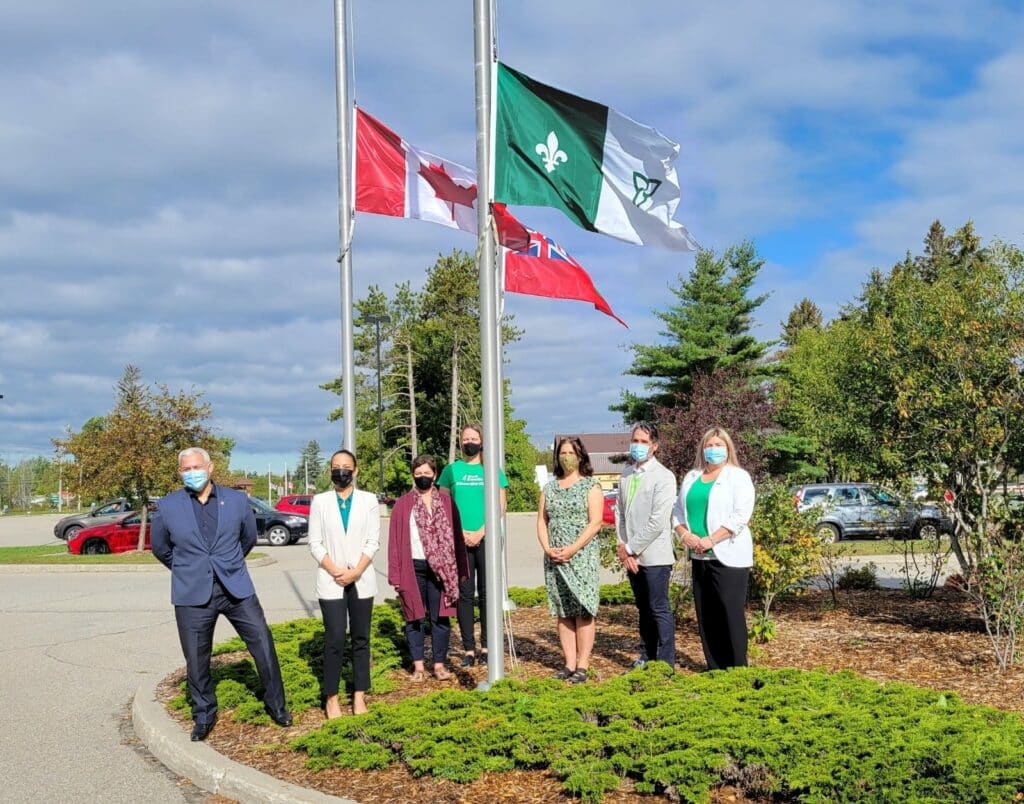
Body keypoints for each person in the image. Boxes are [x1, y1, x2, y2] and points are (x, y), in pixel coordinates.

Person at [151, 447, 292, 741]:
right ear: (180, 473)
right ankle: (204, 714)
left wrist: (228, 563)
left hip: (236, 588)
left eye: (196, 467)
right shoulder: (167, 506)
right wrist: (189, 569)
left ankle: (277, 706)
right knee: (197, 657)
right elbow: (161, 548)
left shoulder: (238, 500)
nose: (192, 473)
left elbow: (248, 539)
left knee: (263, 645)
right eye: (185, 469)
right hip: (192, 594)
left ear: (210, 467)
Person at [671, 427, 755, 670]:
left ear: (728, 449)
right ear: (702, 449)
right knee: (707, 616)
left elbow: (741, 515)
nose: (713, 449)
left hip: (727, 556)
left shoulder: (737, 477)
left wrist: (712, 539)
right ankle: (715, 667)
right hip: (699, 556)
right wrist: (684, 534)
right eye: (709, 445)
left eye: (719, 445)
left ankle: (738, 669)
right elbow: (677, 511)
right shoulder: (691, 477)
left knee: (730, 614)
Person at [308, 449, 380, 718]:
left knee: (361, 639)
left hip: (361, 579)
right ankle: (331, 697)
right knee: (335, 639)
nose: (341, 471)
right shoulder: (320, 501)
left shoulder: (369, 500)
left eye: (346, 466)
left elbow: (373, 540)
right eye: (336, 466)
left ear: (356, 470)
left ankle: (360, 695)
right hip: (331, 578)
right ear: (330, 471)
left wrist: (357, 570)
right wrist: (336, 570)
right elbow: (314, 543)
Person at [388, 454, 469, 681]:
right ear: (413, 474)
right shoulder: (403, 505)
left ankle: (439, 664)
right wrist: (395, 574)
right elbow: (394, 543)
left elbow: (457, 537)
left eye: (427, 473)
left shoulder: (446, 502)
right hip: (412, 567)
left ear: (434, 475)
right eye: (418, 473)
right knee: (414, 617)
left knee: (440, 618)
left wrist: (462, 569)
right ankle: (419, 666)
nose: (423, 477)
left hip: (442, 569)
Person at [437, 423, 508, 668]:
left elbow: (500, 505)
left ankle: (488, 645)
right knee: (465, 595)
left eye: (474, 438)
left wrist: (481, 531)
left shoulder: (491, 469)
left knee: (488, 593)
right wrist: (461, 533)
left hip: (485, 538)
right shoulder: (451, 470)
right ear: (460, 442)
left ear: (482, 441)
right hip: (460, 540)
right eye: (465, 438)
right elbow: (443, 506)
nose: (470, 442)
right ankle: (469, 648)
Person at [537, 436, 604, 683]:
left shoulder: (591, 486)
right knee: (563, 611)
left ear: (580, 456)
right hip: (555, 558)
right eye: (562, 453)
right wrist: (547, 547)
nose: (566, 457)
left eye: (571, 453)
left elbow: (595, 522)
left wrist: (573, 548)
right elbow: (542, 521)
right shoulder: (549, 488)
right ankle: (568, 663)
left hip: (581, 556)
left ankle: (583, 665)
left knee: (583, 610)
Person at [615, 423, 678, 669]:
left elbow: (658, 521)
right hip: (631, 555)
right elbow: (619, 512)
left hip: (655, 556)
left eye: (643, 441)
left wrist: (632, 548)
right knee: (643, 608)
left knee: (658, 608)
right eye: (635, 440)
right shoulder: (625, 474)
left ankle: (664, 662)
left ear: (654, 446)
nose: (638, 445)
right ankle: (646, 655)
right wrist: (623, 548)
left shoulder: (664, 477)